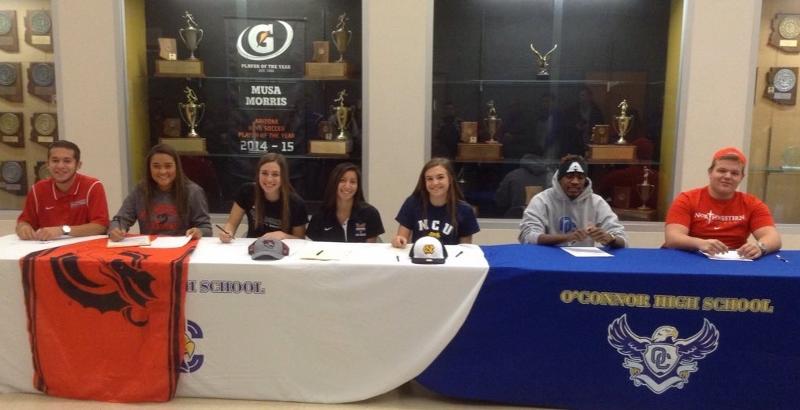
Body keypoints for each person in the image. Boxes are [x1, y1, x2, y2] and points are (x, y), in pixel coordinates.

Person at [664, 147, 781, 259]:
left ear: (741, 177)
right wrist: (701, 243)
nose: (727, 176)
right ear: (710, 172)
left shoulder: (753, 204)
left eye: (734, 173)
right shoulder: (687, 199)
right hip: (690, 257)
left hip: (733, 261)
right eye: (721, 171)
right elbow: (672, 238)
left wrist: (760, 247)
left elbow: (774, 238)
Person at [108, 144, 211, 240]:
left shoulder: (193, 192)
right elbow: (120, 219)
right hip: (150, 252)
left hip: (183, 252)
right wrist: (115, 229)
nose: (162, 171)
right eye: (156, 166)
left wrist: (199, 232)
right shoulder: (140, 190)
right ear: (149, 168)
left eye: (168, 166)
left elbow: (206, 229)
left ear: (177, 167)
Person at [519, 155, 627, 247]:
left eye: (580, 178)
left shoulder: (596, 202)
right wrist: (567, 238)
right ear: (559, 179)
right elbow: (528, 237)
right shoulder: (542, 200)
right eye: (569, 177)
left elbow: (622, 240)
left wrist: (610, 239)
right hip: (548, 261)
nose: (575, 182)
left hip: (583, 264)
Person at [16, 140, 109, 240]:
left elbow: (101, 226)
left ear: (78, 165)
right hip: (47, 250)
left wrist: (62, 230)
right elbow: (24, 221)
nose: (60, 166)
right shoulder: (37, 189)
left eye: (67, 161)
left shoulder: (93, 186)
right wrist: (23, 227)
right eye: (55, 161)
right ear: (48, 164)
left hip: (84, 249)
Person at [392, 157, 480, 247]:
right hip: (418, 258)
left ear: (450, 179)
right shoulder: (412, 203)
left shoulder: (465, 210)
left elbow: (464, 250)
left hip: (450, 260)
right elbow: (401, 238)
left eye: (440, 177)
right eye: (429, 179)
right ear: (424, 181)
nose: (435, 183)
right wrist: (398, 240)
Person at [219, 153, 307, 242]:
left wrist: (283, 235)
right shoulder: (246, 191)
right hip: (252, 247)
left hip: (283, 250)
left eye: (275, 174)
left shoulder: (296, 203)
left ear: (283, 177)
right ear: (258, 174)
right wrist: (227, 232)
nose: (269, 179)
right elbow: (231, 224)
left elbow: (300, 240)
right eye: (264, 173)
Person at [306, 163, 384, 242]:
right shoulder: (320, 215)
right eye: (342, 180)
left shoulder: (370, 213)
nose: (347, 186)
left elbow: (371, 250)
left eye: (353, 182)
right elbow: (314, 249)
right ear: (334, 183)